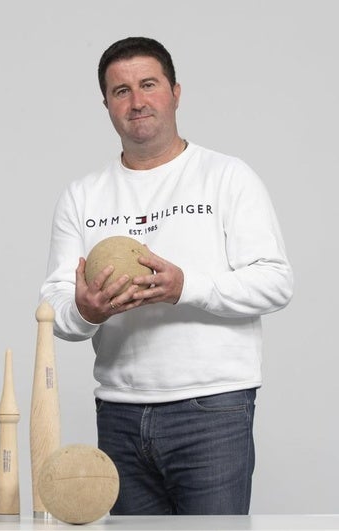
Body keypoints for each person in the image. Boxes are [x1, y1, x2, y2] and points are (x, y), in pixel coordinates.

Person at [40, 37, 293, 515]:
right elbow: (54, 307)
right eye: (121, 91)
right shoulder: (82, 195)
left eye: (148, 85)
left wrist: (185, 287)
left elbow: (276, 281)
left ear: (176, 92)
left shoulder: (226, 177)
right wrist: (85, 311)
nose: (137, 101)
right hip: (117, 411)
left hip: (213, 409)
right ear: (107, 106)